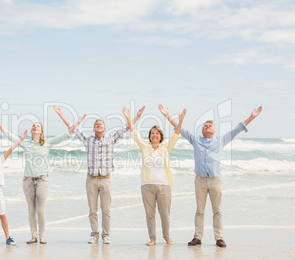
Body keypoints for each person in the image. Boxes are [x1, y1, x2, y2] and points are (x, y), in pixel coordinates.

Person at [159, 104, 263, 247]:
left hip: (215, 180)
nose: (207, 126)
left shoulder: (220, 140)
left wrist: (252, 117)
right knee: (199, 210)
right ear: (202, 130)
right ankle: (197, 237)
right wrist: (167, 116)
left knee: (217, 210)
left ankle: (219, 238)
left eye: (210, 125)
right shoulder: (196, 140)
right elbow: (180, 129)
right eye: (205, 125)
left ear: (214, 130)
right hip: (200, 181)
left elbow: (237, 129)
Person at [0, 111, 84, 245]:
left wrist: (77, 123)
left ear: (41, 132)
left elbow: (65, 135)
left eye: (38, 126)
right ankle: (33, 236)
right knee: (31, 210)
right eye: (33, 126)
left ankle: (42, 236)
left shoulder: (47, 143)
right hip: (27, 180)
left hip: (42, 180)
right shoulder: (25, 143)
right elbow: (8, 135)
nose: (35, 127)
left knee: (40, 209)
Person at [54, 105, 145, 244]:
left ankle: (106, 235)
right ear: (93, 129)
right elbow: (73, 129)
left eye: (100, 124)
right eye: (96, 124)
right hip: (91, 180)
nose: (98, 125)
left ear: (104, 128)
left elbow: (126, 127)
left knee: (106, 210)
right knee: (92, 210)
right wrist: (61, 115)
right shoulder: (88, 140)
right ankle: (94, 235)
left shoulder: (111, 139)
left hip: (105, 180)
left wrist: (137, 116)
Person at [123, 107, 186, 246]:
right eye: (152, 133)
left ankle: (167, 237)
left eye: (157, 133)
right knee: (150, 214)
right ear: (150, 136)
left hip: (164, 186)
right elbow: (134, 133)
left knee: (165, 214)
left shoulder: (166, 147)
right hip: (146, 185)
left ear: (161, 136)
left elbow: (176, 135)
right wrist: (129, 118)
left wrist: (179, 120)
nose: (154, 135)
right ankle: (152, 238)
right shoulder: (145, 146)